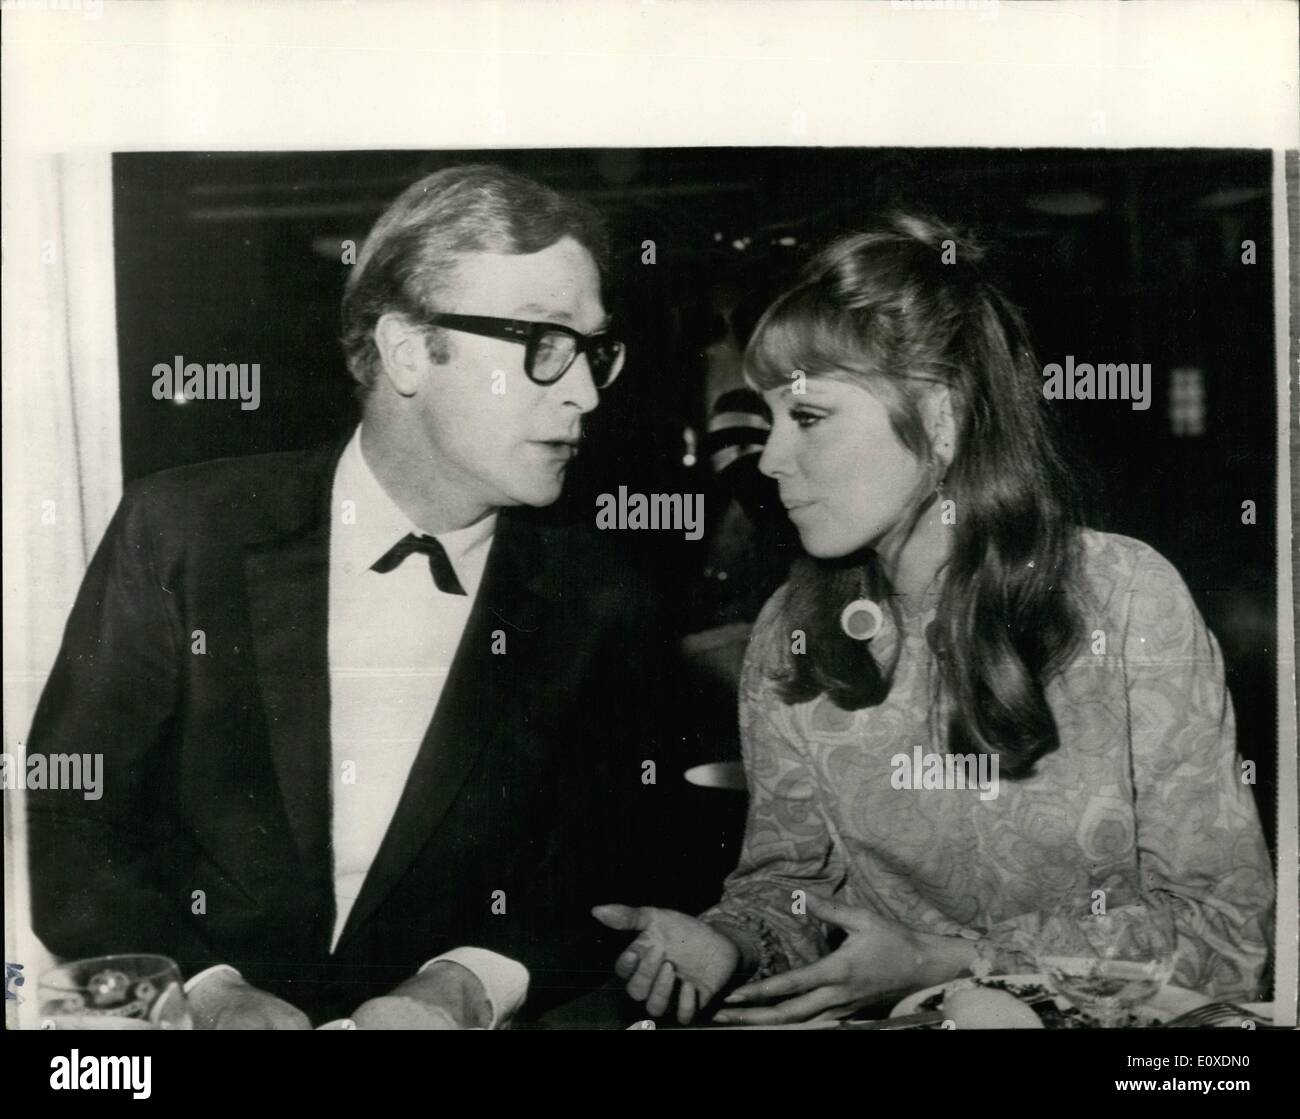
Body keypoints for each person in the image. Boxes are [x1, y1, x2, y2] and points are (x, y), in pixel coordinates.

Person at [27, 164, 678, 1028]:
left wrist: (466, 982)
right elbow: (69, 814)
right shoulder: (183, 531)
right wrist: (207, 991)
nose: (587, 392)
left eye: (596, 350)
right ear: (409, 350)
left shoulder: (602, 601)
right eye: (544, 343)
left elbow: (615, 861)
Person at [595, 215, 1275, 1026]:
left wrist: (956, 962)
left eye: (807, 417)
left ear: (942, 419)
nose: (771, 459)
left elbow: (1231, 932)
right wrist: (734, 940)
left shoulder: (1125, 598)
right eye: (767, 417)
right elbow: (790, 892)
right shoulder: (791, 630)